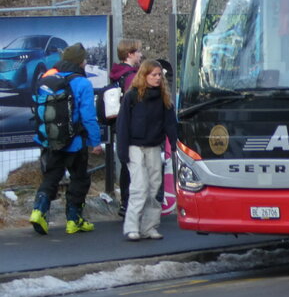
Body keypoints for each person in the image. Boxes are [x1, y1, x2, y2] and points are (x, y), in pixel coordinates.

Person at [29, 42, 102, 236]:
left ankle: (38, 211)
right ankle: (73, 219)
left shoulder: (48, 78)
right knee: (79, 178)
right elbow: (88, 117)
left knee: (52, 176)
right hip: (74, 142)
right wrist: (95, 142)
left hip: (51, 140)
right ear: (80, 62)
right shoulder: (82, 83)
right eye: (84, 59)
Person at [117, 60, 178, 241]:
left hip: (154, 146)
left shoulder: (164, 98)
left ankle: (149, 227)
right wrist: (122, 151)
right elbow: (123, 124)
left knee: (154, 187)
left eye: (159, 75)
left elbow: (170, 124)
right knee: (139, 186)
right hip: (134, 146)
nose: (157, 78)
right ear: (144, 76)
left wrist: (174, 144)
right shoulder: (132, 96)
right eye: (153, 75)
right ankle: (132, 227)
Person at [108, 39, 143, 216]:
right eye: (138, 52)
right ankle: (131, 203)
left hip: (119, 126)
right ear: (130, 54)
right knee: (135, 166)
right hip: (132, 128)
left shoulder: (116, 74)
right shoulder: (132, 77)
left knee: (126, 165)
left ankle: (125, 203)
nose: (141, 55)